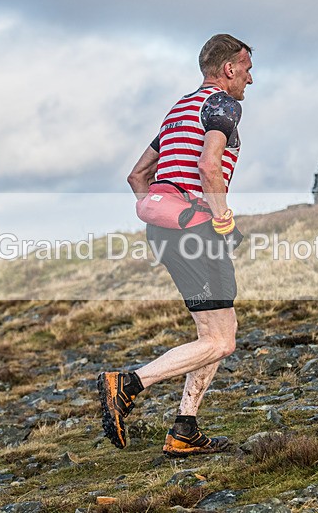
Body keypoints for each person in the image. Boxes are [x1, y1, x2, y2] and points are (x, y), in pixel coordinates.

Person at [97, 33, 253, 457]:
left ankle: (185, 429)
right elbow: (209, 165)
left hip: (169, 230)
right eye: (247, 69)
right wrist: (219, 218)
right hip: (198, 230)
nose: (250, 79)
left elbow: (137, 177)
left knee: (219, 332)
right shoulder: (223, 104)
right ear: (229, 69)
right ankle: (126, 384)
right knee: (221, 340)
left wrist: (163, 214)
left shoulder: (177, 111)